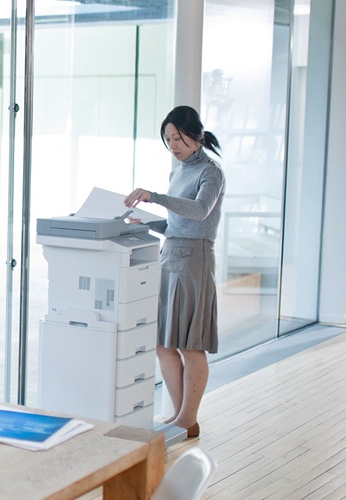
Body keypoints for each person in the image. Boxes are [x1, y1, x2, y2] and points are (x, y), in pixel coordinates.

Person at [124, 105, 225, 439]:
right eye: (168, 140)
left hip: (195, 260)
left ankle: (187, 417)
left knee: (190, 345)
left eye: (178, 138)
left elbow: (199, 211)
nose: (174, 146)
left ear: (195, 134)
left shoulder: (211, 172)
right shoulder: (178, 171)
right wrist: (148, 221)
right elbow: (175, 225)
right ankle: (183, 418)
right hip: (171, 257)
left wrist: (155, 197)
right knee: (163, 344)